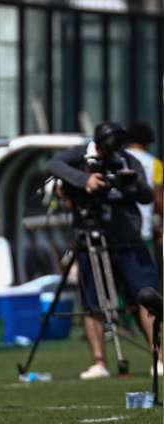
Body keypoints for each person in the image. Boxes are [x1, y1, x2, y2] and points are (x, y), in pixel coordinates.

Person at [47, 121, 160, 380]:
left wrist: (128, 185)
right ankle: (100, 362)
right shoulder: (78, 155)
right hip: (90, 236)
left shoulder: (128, 159)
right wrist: (85, 179)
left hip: (128, 239)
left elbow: (146, 196)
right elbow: (52, 165)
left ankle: (159, 357)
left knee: (146, 297)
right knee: (92, 301)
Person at [125, 122, 163, 262]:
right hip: (143, 228)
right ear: (147, 142)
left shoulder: (118, 158)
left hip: (117, 228)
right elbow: (158, 199)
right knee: (145, 275)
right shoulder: (155, 164)